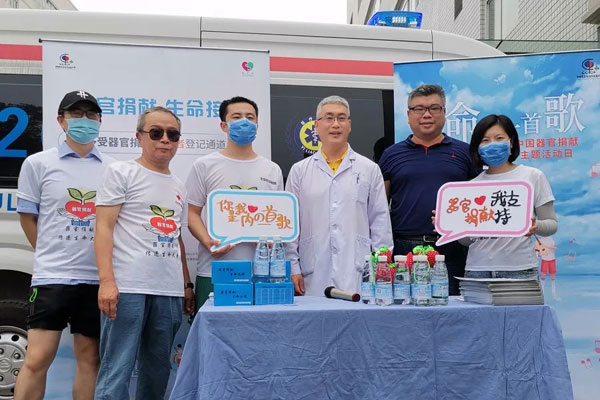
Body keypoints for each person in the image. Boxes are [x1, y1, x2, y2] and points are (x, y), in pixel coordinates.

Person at [14, 90, 111, 400]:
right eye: (76, 114)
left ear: (100, 121)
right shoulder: (38, 163)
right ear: (61, 120)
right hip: (51, 278)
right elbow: (28, 217)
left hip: (95, 280)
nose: (84, 120)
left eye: (91, 114)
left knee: (90, 358)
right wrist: (46, 254)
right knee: (37, 358)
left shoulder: (113, 169)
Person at [94, 107, 194, 400]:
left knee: (157, 371)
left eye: (172, 134)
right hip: (128, 288)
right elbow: (103, 228)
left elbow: (176, 238)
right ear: (139, 137)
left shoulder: (178, 185)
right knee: (116, 370)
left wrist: (186, 285)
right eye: (156, 132)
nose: (164, 140)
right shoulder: (121, 172)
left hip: (168, 291)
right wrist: (107, 281)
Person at [286, 95, 392, 296]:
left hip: (357, 270)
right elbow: (290, 225)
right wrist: (292, 267)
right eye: (329, 118)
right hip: (312, 271)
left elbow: (380, 222)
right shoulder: (299, 171)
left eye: (341, 118)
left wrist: (382, 267)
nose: (336, 124)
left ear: (349, 125)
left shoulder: (369, 169)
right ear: (316, 126)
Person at [378, 84, 479, 295]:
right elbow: (380, 208)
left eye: (434, 108)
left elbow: (477, 204)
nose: (426, 115)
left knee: (451, 309)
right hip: (404, 251)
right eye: (419, 109)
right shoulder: (391, 154)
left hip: (451, 249)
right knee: (404, 309)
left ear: (444, 112)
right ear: (408, 115)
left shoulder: (465, 152)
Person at [186, 96, 284, 311]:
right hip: (215, 271)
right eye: (237, 117)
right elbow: (192, 214)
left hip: (261, 273)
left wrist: (275, 240)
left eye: (250, 117)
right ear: (224, 125)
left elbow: (278, 220)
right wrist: (209, 243)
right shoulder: (205, 165)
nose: (244, 122)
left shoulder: (272, 170)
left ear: (257, 124)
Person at [462, 114, 557, 279]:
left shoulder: (532, 176)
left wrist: (536, 226)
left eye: (499, 138)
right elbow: (465, 241)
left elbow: (552, 224)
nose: (492, 145)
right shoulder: (471, 186)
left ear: (511, 142)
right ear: (477, 147)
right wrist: (450, 225)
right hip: (477, 270)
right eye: (485, 140)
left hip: (520, 269)